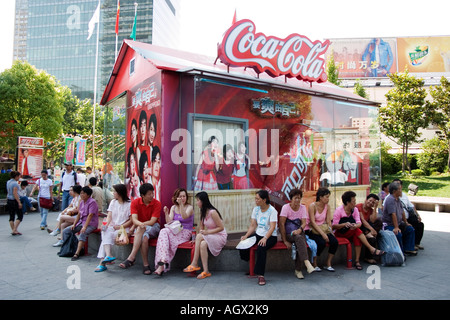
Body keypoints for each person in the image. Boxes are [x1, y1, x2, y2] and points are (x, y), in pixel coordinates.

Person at [333, 191, 385, 270]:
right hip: (340, 232)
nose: (355, 203)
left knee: (357, 235)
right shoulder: (339, 210)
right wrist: (344, 224)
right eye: (353, 201)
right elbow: (334, 226)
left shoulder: (355, 210)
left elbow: (359, 223)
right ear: (348, 202)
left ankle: (357, 261)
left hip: (352, 231)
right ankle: (371, 249)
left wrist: (355, 226)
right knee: (357, 231)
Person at [183, 191, 227, 279]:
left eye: (198, 200)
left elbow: (221, 228)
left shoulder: (212, 212)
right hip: (210, 235)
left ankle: (194, 263)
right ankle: (206, 271)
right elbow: (201, 228)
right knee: (202, 244)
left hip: (219, 236)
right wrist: (197, 239)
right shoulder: (202, 212)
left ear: (203, 201)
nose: (196, 202)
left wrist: (207, 232)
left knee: (199, 236)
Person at [119, 183, 161, 275]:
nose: (152, 196)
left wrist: (139, 225)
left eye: (152, 193)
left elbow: (152, 221)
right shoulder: (135, 202)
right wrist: (139, 225)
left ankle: (131, 257)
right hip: (142, 229)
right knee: (144, 239)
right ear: (142, 195)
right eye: (149, 194)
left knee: (140, 229)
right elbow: (134, 219)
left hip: (154, 227)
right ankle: (146, 265)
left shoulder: (157, 203)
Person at [238, 190, 277, 285]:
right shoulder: (256, 209)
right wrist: (246, 236)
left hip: (270, 236)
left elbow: (272, 227)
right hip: (258, 234)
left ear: (264, 200)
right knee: (243, 244)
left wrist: (265, 238)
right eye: (255, 198)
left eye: (257, 199)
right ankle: (253, 267)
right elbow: (253, 225)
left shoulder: (272, 210)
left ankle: (260, 275)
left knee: (261, 247)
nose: (256, 200)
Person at [154, 188, 194, 275]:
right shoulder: (173, 207)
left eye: (184, 196)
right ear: (176, 198)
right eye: (180, 197)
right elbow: (169, 221)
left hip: (185, 232)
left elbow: (184, 216)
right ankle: (163, 260)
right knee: (163, 231)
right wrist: (166, 212)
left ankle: (162, 264)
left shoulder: (189, 207)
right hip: (175, 231)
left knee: (166, 237)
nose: (182, 198)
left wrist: (181, 205)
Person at [279, 188, 315, 279]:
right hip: (289, 234)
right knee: (299, 239)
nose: (297, 200)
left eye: (299, 198)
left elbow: (304, 223)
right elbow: (281, 224)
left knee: (299, 240)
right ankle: (305, 264)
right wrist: (285, 240)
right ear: (291, 198)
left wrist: (300, 229)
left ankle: (298, 270)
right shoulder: (286, 208)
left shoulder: (302, 207)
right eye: (295, 198)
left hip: (298, 232)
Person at [95, 184, 132, 272]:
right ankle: (108, 255)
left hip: (123, 229)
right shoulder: (113, 202)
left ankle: (103, 262)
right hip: (113, 227)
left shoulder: (129, 204)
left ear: (120, 193)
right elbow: (109, 216)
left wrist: (120, 226)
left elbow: (131, 220)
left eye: (115, 191)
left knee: (106, 237)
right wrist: (106, 225)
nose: (113, 193)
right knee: (105, 231)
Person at [60, 186, 99, 261]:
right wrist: (74, 224)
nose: (81, 195)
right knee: (66, 231)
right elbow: (79, 214)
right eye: (81, 193)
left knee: (83, 233)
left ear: (88, 195)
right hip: (81, 222)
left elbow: (90, 215)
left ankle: (77, 253)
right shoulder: (81, 202)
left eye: (83, 193)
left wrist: (84, 227)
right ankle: (67, 248)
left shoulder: (92, 202)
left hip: (91, 224)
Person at [305, 187, 338, 272]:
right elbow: (312, 222)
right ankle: (314, 263)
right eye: (326, 197)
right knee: (321, 242)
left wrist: (331, 232)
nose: (328, 199)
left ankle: (328, 263)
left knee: (334, 242)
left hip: (324, 229)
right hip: (313, 230)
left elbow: (328, 221)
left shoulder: (327, 206)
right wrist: (323, 234)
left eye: (328, 197)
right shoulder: (312, 206)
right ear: (320, 197)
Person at [382, 182, 417, 255]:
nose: (401, 191)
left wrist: (406, 222)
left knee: (410, 229)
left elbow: (402, 212)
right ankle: (399, 252)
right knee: (398, 234)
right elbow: (393, 214)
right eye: (400, 189)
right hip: (389, 224)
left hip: (399, 223)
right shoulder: (390, 199)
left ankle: (408, 249)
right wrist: (396, 227)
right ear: (395, 191)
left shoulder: (398, 199)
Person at [393, 178, 425, 251]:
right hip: (399, 219)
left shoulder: (403, 195)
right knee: (409, 227)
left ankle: (416, 243)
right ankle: (409, 246)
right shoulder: (391, 196)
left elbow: (411, 206)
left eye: (399, 184)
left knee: (420, 224)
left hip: (407, 216)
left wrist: (418, 215)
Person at [356, 193, 383, 264]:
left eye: (373, 203)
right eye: (370, 200)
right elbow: (362, 221)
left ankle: (369, 234)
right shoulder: (358, 207)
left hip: (367, 227)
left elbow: (373, 220)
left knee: (379, 222)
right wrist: (372, 229)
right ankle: (368, 257)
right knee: (371, 238)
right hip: (359, 226)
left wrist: (375, 208)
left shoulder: (371, 210)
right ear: (366, 200)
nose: (371, 203)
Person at [6, 171, 23, 235]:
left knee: (11, 216)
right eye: (19, 176)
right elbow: (15, 193)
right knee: (20, 215)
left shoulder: (8, 182)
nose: (19, 178)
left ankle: (14, 230)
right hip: (14, 200)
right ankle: (14, 229)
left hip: (9, 199)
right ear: (16, 176)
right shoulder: (15, 184)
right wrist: (19, 202)